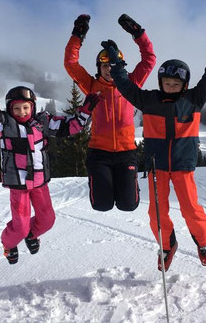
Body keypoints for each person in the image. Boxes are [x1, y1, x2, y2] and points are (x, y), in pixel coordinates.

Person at [104, 25, 206, 271]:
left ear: (184, 85)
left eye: (175, 84)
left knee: (190, 209)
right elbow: (126, 87)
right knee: (156, 213)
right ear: (160, 83)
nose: (170, 87)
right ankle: (167, 245)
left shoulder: (194, 99)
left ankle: (203, 244)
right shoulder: (149, 100)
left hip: (183, 166)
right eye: (166, 83)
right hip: (157, 166)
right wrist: (117, 64)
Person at [0, 62, 100, 264]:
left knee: (47, 220)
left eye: (26, 107)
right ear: (10, 109)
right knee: (20, 226)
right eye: (17, 108)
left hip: (40, 182)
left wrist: (85, 112)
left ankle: (32, 236)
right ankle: (8, 243)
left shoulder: (42, 122)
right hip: (19, 184)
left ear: (32, 107)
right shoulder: (4, 124)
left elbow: (70, 127)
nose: (22, 112)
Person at [64, 14, 156, 212]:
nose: (108, 69)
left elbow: (149, 60)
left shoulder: (131, 84)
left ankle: (127, 187)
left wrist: (138, 33)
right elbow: (71, 64)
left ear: (120, 66)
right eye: (104, 65)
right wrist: (77, 36)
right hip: (99, 154)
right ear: (99, 68)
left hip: (126, 153)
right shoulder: (91, 86)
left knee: (128, 205)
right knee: (102, 205)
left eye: (112, 65)